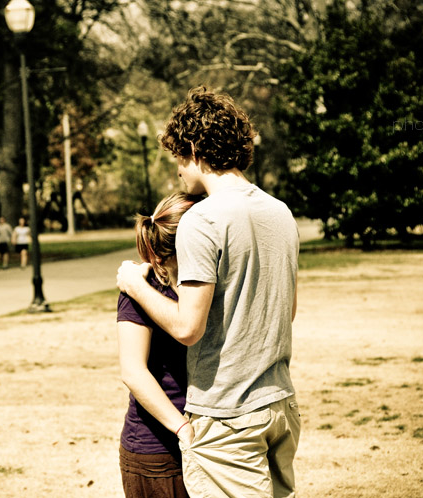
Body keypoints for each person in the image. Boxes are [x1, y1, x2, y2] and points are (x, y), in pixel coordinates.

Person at [116, 87, 301, 498]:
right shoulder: (280, 212)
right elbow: (286, 312)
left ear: (195, 148)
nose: (179, 171)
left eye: (179, 157)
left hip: (228, 414)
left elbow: (188, 328)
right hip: (279, 405)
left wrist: (134, 285)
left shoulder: (203, 219)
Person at [117, 192, 199, 498]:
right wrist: (182, 428)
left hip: (206, 442)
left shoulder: (204, 285)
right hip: (156, 452)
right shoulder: (141, 286)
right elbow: (133, 371)